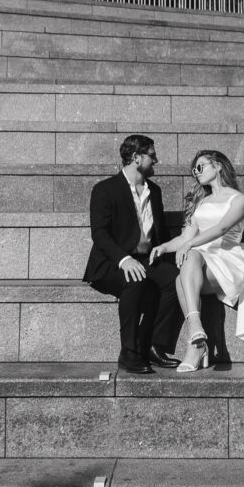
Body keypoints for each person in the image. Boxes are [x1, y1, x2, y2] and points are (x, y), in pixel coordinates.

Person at [150, 149, 244, 372]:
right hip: (199, 261)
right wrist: (163, 247)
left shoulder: (239, 199)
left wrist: (190, 244)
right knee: (189, 262)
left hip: (227, 260)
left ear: (218, 166)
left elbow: (221, 228)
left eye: (200, 167)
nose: (196, 172)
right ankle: (196, 333)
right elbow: (185, 238)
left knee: (186, 269)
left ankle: (195, 343)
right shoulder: (201, 202)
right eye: (194, 170)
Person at [83, 134, 181, 375]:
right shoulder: (105, 189)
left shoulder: (154, 191)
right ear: (136, 158)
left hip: (147, 259)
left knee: (176, 280)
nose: (156, 159)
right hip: (111, 262)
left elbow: (161, 232)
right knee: (135, 279)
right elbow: (100, 234)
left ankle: (151, 346)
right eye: (151, 155)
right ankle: (129, 352)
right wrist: (124, 259)